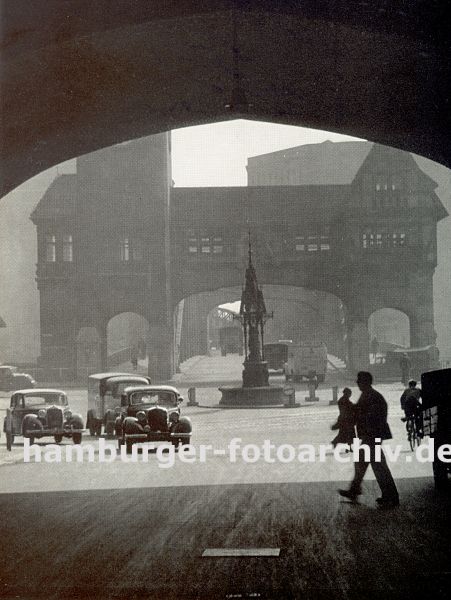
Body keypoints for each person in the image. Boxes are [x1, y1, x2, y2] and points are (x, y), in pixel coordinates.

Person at [338, 371, 399, 508]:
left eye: (359, 381)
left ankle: (392, 497)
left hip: (372, 436)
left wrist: (351, 409)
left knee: (379, 467)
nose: (357, 383)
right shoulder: (370, 395)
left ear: (365, 382)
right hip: (371, 435)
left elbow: (366, 415)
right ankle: (355, 490)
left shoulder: (370, 396)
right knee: (362, 462)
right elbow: (361, 412)